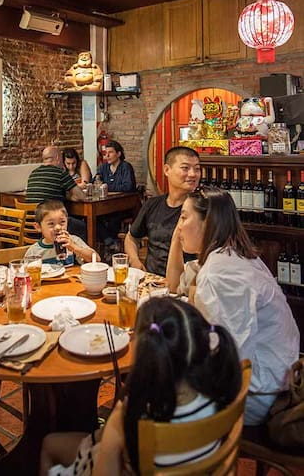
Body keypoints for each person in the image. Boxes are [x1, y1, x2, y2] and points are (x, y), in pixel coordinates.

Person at [40, 297, 241, 475]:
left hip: (102, 461)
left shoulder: (128, 415)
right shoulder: (220, 396)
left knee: (49, 444)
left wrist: (113, 426)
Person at [167, 186, 300, 425]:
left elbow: (230, 358)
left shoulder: (220, 274)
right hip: (279, 373)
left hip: (260, 393)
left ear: (207, 224)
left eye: (184, 217)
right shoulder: (232, 255)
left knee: (153, 381)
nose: (179, 227)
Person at [124, 146, 200, 276]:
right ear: (166, 170)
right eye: (185, 168)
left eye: (197, 169)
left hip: (187, 283)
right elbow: (131, 238)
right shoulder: (153, 204)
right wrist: (135, 261)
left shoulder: (202, 208)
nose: (193, 174)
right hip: (153, 280)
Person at [26, 146, 87, 240]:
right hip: (49, 226)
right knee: (82, 226)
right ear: (58, 158)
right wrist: (70, 196)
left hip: (30, 225)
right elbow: (82, 196)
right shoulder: (60, 173)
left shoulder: (33, 173)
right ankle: (75, 254)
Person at [25, 200, 100, 266]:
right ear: (38, 227)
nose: (58, 227)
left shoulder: (73, 241)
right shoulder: (34, 251)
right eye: (51, 224)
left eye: (62, 222)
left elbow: (96, 259)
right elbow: (26, 274)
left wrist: (74, 248)